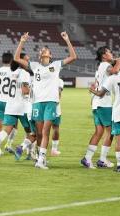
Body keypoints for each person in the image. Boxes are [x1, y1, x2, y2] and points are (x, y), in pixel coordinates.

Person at [14, 31, 77, 169]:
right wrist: (22, 41)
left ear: (50, 55)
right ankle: (39, 159)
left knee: (46, 131)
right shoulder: (34, 65)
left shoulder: (56, 65)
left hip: (51, 102)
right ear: (40, 55)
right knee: (39, 133)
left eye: (46, 50)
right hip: (37, 103)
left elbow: (73, 56)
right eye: (42, 50)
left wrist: (67, 40)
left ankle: (41, 160)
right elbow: (17, 58)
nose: (44, 51)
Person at [81, 46, 120, 169]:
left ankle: (87, 159)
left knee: (99, 132)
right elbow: (115, 71)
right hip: (104, 103)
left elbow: (95, 83)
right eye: (109, 52)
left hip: (97, 103)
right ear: (104, 55)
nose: (112, 54)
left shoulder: (100, 67)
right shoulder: (105, 65)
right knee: (110, 132)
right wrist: (119, 61)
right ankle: (102, 159)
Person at [0, 53, 35, 161]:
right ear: (21, 61)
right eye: (26, 60)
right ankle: (28, 152)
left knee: (6, 130)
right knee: (31, 132)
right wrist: (34, 90)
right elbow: (25, 91)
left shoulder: (12, 72)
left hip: (10, 105)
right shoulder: (24, 73)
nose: (28, 62)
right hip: (22, 106)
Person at [0, 52, 18, 156]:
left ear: (2, 60)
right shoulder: (13, 71)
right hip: (10, 101)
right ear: (12, 60)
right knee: (13, 124)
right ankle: (8, 144)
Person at [50, 78, 64, 156]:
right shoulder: (59, 80)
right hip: (54, 107)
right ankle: (54, 149)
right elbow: (59, 93)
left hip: (42, 105)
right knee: (55, 127)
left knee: (41, 129)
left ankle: (36, 152)